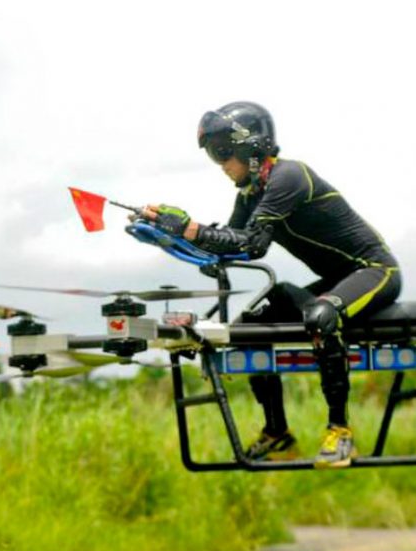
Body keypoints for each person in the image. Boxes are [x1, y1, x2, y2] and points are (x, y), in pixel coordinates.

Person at [140, 101, 400, 469]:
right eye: (216, 156)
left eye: (222, 153)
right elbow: (230, 244)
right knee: (248, 327)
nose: (221, 165)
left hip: (375, 271)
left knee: (322, 314)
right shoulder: (250, 194)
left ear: (251, 146)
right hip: (339, 279)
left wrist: (190, 229)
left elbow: (253, 244)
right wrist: (164, 227)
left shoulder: (289, 176)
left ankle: (341, 433)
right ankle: (278, 432)